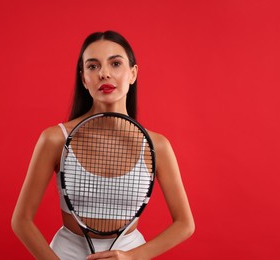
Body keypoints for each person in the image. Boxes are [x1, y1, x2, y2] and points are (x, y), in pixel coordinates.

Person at [11, 30, 195, 259]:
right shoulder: (55, 139)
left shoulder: (157, 146)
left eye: (115, 63)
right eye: (93, 66)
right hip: (66, 254)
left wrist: (132, 257)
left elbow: (185, 224)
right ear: (83, 77)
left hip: (129, 254)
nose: (104, 74)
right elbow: (21, 220)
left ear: (133, 73)